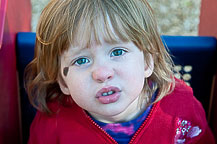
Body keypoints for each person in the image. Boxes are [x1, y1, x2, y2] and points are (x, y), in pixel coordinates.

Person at [25, 0, 215, 143]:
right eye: (81, 60)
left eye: (117, 52)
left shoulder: (181, 108)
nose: (102, 73)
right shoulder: (53, 123)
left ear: (148, 60)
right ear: (63, 82)